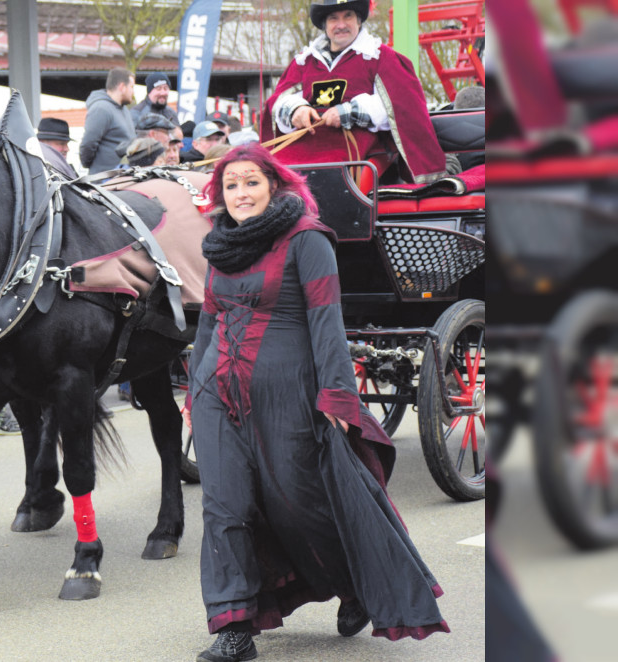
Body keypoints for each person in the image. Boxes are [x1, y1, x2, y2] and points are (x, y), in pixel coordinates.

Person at [189, 143, 447, 662]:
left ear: (275, 186)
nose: (239, 193)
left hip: (290, 394)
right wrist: (192, 392)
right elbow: (209, 321)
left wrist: (336, 391)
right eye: (230, 184)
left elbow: (326, 320)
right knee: (224, 506)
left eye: (250, 182)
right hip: (217, 394)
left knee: (300, 504)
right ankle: (235, 626)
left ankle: (354, 584)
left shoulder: (306, 239)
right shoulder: (218, 245)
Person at [261, 0, 446, 183]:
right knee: (268, 171)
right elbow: (278, 101)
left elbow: (403, 106)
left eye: (347, 16)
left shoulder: (380, 57)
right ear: (325, 26)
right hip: (307, 145)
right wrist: (295, 110)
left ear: (359, 21)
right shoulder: (304, 62)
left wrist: (349, 112)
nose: (341, 25)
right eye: (333, 18)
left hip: (361, 152)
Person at [80, 67, 136, 174]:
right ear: (122, 87)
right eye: (132, 87)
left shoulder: (124, 109)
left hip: (122, 179)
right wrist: (95, 168)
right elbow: (88, 144)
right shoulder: (101, 109)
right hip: (104, 182)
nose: (133, 92)